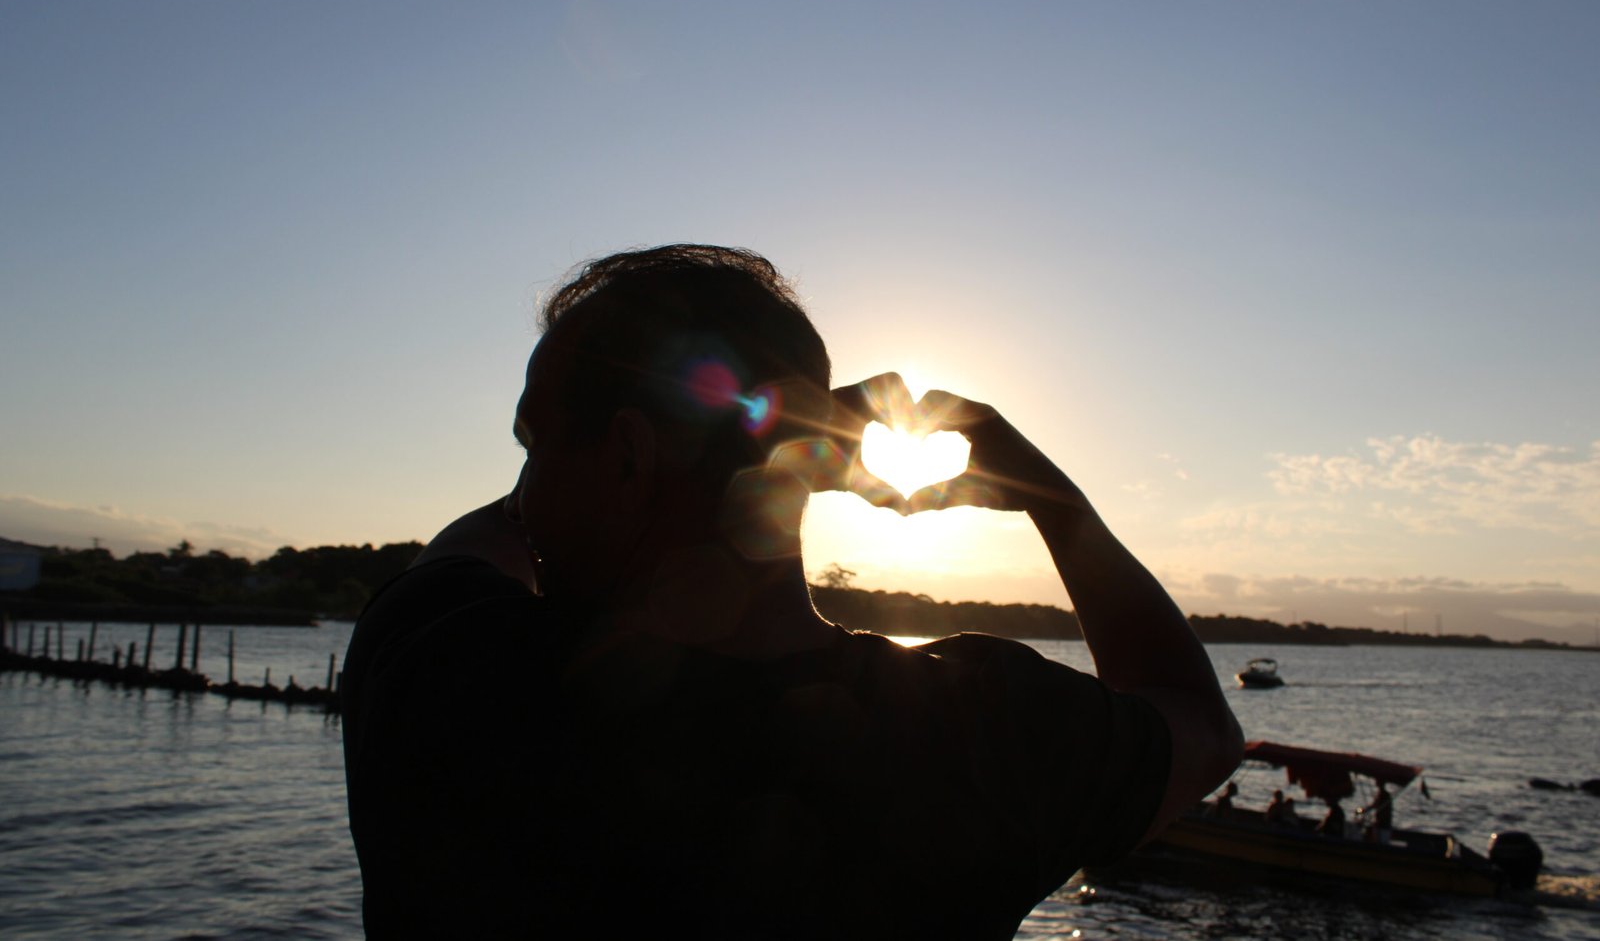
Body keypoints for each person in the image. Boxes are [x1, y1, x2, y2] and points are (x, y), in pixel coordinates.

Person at [341, 244, 1242, 939]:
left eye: (533, 447)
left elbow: (482, 540)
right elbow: (1203, 724)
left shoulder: (450, 670)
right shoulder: (977, 732)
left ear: (627, 454)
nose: (525, 488)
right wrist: (1060, 505)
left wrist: (763, 443)